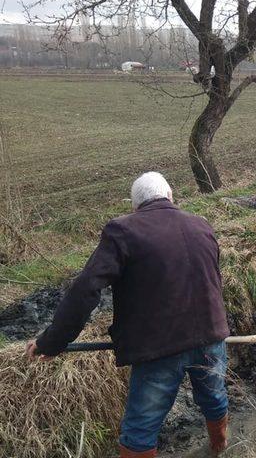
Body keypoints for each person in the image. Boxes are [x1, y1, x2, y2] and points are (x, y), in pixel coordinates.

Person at [25, 172, 230, 458]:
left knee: (139, 431)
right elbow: (213, 277)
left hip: (160, 348)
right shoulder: (201, 224)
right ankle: (220, 448)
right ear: (171, 197)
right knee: (214, 397)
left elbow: (86, 290)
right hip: (212, 335)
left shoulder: (123, 231)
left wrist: (51, 342)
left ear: (135, 207)